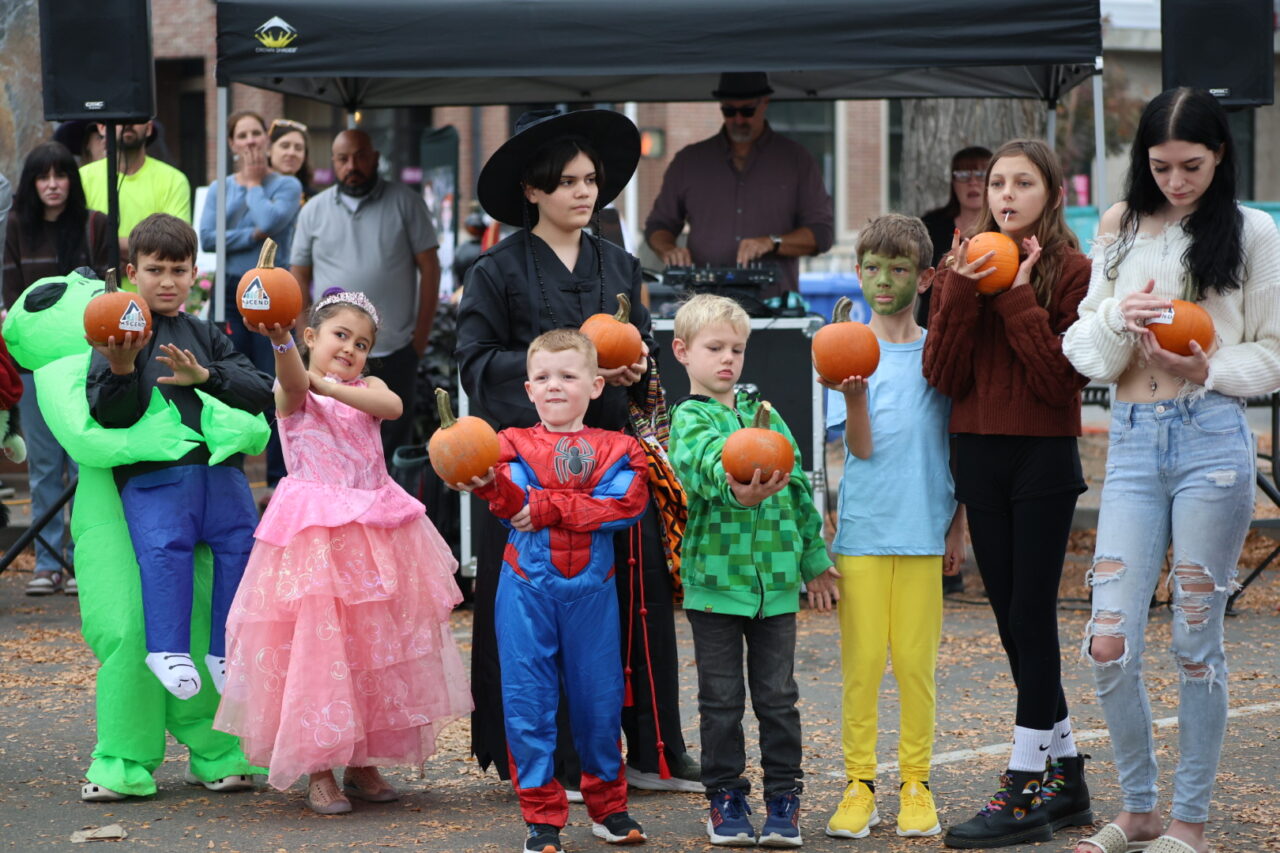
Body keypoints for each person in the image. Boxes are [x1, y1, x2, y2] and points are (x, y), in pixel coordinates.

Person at [457, 108, 700, 800]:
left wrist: (631, 371)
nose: (583, 192)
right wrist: (557, 375)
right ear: (532, 191)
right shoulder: (494, 270)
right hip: (529, 468)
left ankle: (653, 746)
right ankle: (550, 760)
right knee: (538, 615)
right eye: (566, 181)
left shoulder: (620, 264)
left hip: (612, 468)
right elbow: (475, 363)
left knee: (638, 599)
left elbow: (644, 361)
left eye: (590, 180)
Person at [1061, 88, 1280, 853]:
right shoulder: (1120, 227)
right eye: (1161, 166)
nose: (1177, 181)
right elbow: (1083, 346)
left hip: (1210, 443)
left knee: (1196, 636)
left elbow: (1275, 353)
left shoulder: (1253, 232)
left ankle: (1187, 819)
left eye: (1192, 165)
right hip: (1130, 441)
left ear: (1220, 156)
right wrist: (1116, 321)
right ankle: (1140, 806)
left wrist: (1209, 364)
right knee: (1109, 637)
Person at [216, 289, 471, 814]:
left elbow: (392, 405)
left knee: (370, 651)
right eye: (339, 336)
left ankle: (362, 760)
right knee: (319, 649)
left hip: (372, 535)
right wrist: (282, 344)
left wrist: (330, 383)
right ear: (310, 337)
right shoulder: (295, 392)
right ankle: (318, 766)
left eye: (362, 343)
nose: (351, 348)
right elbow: (290, 384)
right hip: (318, 540)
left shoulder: (365, 387)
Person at [923, 139, 1093, 849]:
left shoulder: (1074, 271)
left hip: (1043, 454)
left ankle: (1025, 784)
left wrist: (1017, 294)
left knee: (1031, 611)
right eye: (998, 183)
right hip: (979, 452)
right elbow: (941, 372)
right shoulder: (961, 266)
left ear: (1051, 193)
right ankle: (1071, 775)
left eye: (1024, 183)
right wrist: (962, 289)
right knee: (1007, 618)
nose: (1006, 194)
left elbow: (1060, 381)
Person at [452, 328, 650, 853]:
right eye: (543, 377)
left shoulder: (622, 447)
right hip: (525, 592)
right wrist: (483, 481)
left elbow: (624, 506)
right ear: (528, 388)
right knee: (528, 701)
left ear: (596, 384)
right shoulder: (507, 442)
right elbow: (507, 498)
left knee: (600, 702)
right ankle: (542, 818)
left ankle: (609, 808)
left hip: (592, 596)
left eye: (567, 375)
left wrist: (546, 506)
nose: (554, 385)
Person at [667, 293, 840, 847]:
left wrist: (813, 562)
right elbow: (704, 465)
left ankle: (784, 798)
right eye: (714, 347)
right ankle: (725, 797)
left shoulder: (766, 414)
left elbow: (794, 493)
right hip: (715, 587)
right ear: (682, 352)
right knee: (720, 701)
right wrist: (736, 489)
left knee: (778, 697)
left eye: (736, 349)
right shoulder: (688, 418)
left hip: (775, 586)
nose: (727, 359)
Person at [86, 213, 273, 702]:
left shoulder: (207, 332)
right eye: (155, 270)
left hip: (221, 475)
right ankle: (167, 649)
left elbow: (260, 390)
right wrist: (122, 369)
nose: (167, 281)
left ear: (195, 274)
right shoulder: (115, 332)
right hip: (155, 478)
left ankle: (226, 650)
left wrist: (207, 378)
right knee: (164, 551)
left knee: (240, 548)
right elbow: (109, 416)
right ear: (133, 273)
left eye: (178, 270)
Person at [820, 214, 964, 841]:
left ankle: (916, 781)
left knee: (914, 665)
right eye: (872, 268)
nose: (884, 281)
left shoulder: (940, 352)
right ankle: (859, 783)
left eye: (899, 269)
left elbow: (959, 450)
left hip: (925, 532)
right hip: (864, 535)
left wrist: (958, 529)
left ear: (926, 277)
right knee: (860, 667)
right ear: (858, 272)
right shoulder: (844, 349)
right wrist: (855, 398)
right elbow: (863, 450)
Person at [290, 129, 440, 459]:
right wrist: (304, 333)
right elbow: (298, 273)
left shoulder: (406, 203)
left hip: (396, 349)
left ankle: (390, 507)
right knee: (331, 441)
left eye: (359, 156)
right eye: (343, 159)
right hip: (332, 352)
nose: (351, 165)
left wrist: (420, 338)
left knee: (393, 441)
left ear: (374, 158)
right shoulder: (312, 210)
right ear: (333, 162)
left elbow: (430, 267)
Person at [5, 141, 112, 595]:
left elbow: (109, 291)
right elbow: (11, 299)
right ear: (31, 184)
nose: (52, 185)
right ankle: (47, 563)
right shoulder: (15, 227)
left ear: (73, 180)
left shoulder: (94, 225)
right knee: (45, 466)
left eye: (61, 175)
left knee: (84, 462)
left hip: (87, 366)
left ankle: (82, 560)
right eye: (43, 177)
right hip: (33, 368)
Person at [644, 72, 834, 299]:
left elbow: (821, 234)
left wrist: (772, 242)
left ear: (765, 103)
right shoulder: (689, 160)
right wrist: (669, 249)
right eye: (729, 111)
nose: (738, 120)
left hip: (773, 306)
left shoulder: (796, 160)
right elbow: (658, 225)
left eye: (747, 111)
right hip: (703, 308)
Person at [198, 110, 302, 495]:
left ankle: (279, 480)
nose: (250, 142)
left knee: (275, 384)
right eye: (242, 135)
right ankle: (230, 473)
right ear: (231, 143)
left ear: (266, 139)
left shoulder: (286, 184)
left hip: (273, 293)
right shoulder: (219, 187)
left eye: (256, 134)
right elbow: (208, 238)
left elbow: (272, 222)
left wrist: (256, 186)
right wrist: (252, 233)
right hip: (229, 290)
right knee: (227, 380)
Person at [80, 120, 191, 281]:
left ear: (149, 128)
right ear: (102, 128)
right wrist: (145, 253)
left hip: (153, 299)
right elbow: (78, 240)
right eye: (118, 117)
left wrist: (109, 248)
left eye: (136, 118)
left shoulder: (174, 180)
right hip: (94, 296)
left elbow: (176, 243)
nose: (127, 123)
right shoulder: (82, 178)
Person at [917, 146, 993, 327]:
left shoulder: (1003, 228)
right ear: (953, 182)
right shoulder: (931, 225)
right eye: (963, 175)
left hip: (986, 325)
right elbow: (919, 279)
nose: (973, 182)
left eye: (981, 175)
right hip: (935, 322)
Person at [267, 117, 316, 201]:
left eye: (298, 148)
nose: (291, 153)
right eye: (285, 146)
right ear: (269, 150)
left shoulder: (313, 199)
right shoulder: (254, 190)